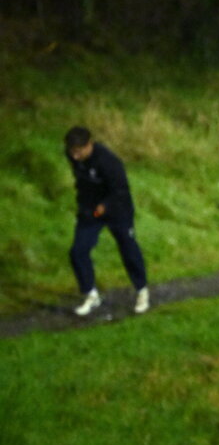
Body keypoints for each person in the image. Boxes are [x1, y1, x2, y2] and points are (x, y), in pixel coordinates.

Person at [63, 126, 149, 316]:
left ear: (89, 145)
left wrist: (105, 206)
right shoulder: (72, 156)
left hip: (118, 210)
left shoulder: (109, 162)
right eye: (72, 152)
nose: (75, 156)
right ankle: (91, 294)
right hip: (90, 211)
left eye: (78, 152)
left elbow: (121, 190)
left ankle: (142, 290)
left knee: (128, 248)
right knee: (78, 251)